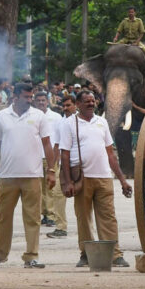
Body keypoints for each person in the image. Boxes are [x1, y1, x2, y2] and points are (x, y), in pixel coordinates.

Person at [0, 83, 56, 268]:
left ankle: (31, 256)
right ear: (15, 97)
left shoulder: (38, 116)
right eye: (26, 97)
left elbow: (47, 144)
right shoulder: (1, 116)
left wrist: (51, 170)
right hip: (7, 175)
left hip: (32, 174)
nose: (30, 100)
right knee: (3, 217)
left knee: (33, 218)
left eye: (31, 97)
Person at [59, 91, 132, 268]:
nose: (91, 104)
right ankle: (85, 254)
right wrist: (68, 182)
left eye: (93, 101)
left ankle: (115, 255)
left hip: (104, 177)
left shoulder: (102, 122)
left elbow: (110, 153)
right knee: (83, 218)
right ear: (78, 104)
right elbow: (65, 155)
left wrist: (122, 180)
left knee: (108, 217)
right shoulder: (69, 124)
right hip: (82, 178)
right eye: (86, 101)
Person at [46, 96, 78, 239]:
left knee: (84, 197)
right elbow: (56, 146)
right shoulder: (61, 122)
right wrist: (52, 167)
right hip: (63, 166)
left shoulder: (81, 121)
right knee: (58, 194)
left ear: (75, 105)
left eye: (68, 105)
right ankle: (61, 227)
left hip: (79, 165)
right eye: (64, 106)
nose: (65, 108)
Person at [33, 92, 63, 228]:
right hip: (35, 157)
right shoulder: (31, 116)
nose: (41, 103)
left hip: (51, 158)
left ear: (47, 101)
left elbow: (59, 139)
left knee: (50, 187)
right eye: (38, 100)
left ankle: (51, 215)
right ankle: (43, 213)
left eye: (43, 100)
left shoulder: (56, 117)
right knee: (38, 189)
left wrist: (57, 158)